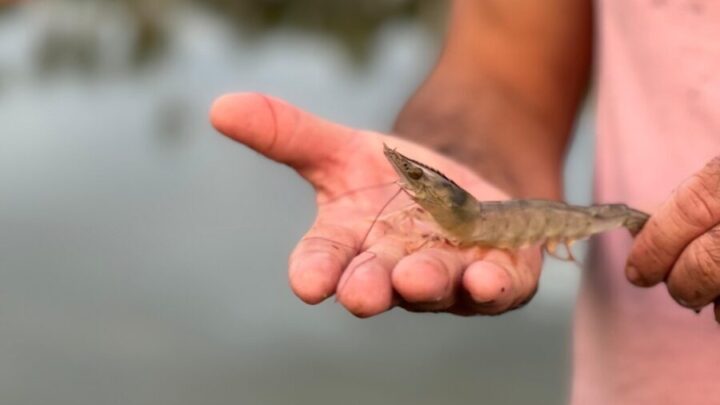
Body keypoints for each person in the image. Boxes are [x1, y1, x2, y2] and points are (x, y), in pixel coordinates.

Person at [210, 1, 720, 403]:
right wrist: (448, 156)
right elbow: (503, 73)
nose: (408, 183)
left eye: (414, 179)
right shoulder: (438, 207)